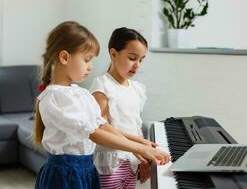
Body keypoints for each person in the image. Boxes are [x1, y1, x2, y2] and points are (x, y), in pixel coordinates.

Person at [34, 21, 170, 189]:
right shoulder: (55, 97)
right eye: (86, 60)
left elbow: (101, 125)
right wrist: (140, 149)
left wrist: (140, 144)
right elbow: (95, 133)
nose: (90, 67)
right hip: (66, 175)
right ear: (64, 57)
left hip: (85, 170)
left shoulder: (80, 93)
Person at [89, 27, 154, 189]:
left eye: (141, 60)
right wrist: (139, 148)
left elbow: (135, 125)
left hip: (131, 161)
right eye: (132, 58)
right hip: (110, 164)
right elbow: (101, 128)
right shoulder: (102, 86)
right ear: (113, 54)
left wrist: (142, 158)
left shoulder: (137, 88)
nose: (137, 65)